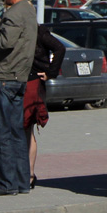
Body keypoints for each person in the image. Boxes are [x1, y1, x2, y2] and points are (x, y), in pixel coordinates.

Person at [0, 0, 39, 195]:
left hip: (5, 76)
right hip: (19, 77)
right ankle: (22, 182)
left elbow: (5, 42)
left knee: (1, 133)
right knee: (17, 132)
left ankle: (6, 184)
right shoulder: (29, 10)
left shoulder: (15, 12)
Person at [25, 25, 65, 189]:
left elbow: (59, 48)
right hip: (18, 82)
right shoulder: (15, 27)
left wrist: (50, 72)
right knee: (22, 129)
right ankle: (26, 174)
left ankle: (29, 174)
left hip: (32, 82)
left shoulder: (38, 31)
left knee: (27, 127)